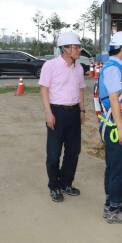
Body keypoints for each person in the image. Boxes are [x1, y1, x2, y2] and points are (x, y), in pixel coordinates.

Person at [39, 32, 86, 202]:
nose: (79, 50)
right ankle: (54, 186)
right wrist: (48, 113)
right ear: (65, 49)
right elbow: (44, 89)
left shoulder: (79, 68)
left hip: (74, 113)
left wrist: (82, 110)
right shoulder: (50, 66)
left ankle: (66, 183)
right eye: (76, 47)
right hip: (57, 113)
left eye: (79, 47)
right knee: (54, 153)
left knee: (73, 151)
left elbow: (80, 89)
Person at [98, 31, 122, 224]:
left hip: (118, 122)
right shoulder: (114, 68)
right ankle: (114, 209)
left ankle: (111, 203)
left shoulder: (117, 67)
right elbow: (114, 99)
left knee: (114, 165)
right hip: (116, 125)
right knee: (118, 168)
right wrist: (121, 128)